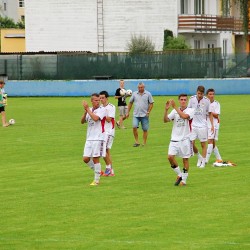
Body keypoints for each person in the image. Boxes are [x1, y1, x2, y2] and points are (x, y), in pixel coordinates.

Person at [164, 94, 194, 186]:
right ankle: (179, 174)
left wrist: (175, 107)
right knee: (170, 157)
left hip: (185, 139)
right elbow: (165, 120)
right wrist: (166, 110)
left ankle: (184, 181)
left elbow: (185, 116)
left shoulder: (191, 110)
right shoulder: (174, 110)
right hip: (174, 139)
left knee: (185, 159)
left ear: (187, 101)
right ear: (179, 100)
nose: (183, 101)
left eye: (185, 100)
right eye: (181, 99)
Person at [81, 93, 106, 186]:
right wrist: (85, 112)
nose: (98, 102)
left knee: (96, 159)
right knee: (85, 158)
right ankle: (98, 171)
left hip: (98, 138)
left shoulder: (102, 110)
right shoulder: (90, 110)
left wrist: (88, 109)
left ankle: (96, 180)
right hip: (89, 138)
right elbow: (82, 121)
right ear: (91, 101)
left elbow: (95, 118)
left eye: (99, 100)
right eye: (96, 100)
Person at [188, 85, 214, 168]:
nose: (200, 95)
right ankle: (199, 157)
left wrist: (212, 125)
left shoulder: (206, 101)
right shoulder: (192, 99)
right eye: (199, 93)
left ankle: (203, 162)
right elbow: (188, 110)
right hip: (193, 125)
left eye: (201, 94)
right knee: (191, 143)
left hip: (203, 125)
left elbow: (209, 113)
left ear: (203, 94)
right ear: (196, 92)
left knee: (203, 144)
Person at [126, 82, 154, 147]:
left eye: (141, 87)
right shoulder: (134, 94)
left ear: (144, 87)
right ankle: (137, 141)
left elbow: (151, 103)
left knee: (145, 129)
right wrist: (127, 112)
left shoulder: (148, 94)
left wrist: (148, 112)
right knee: (134, 126)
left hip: (145, 115)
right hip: (136, 114)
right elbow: (130, 103)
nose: (140, 88)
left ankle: (144, 143)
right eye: (139, 87)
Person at [99, 90, 116, 176]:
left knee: (103, 150)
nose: (101, 99)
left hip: (109, 132)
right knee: (107, 151)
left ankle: (108, 168)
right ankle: (111, 171)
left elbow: (109, 119)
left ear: (107, 98)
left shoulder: (111, 107)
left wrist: (103, 113)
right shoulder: (100, 107)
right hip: (102, 132)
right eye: (100, 98)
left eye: (103, 98)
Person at [205, 88, 222, 164]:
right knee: (213, 142)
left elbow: (217, 115)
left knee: (210, 141)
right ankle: (219, 158)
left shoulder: (216, 104)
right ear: (207, 95)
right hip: (206, 124)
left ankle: (205, 160)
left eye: (213, 94)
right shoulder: (204, 103)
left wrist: (209, 112)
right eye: (210, 94)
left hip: (214, 125)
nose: (212, 96)